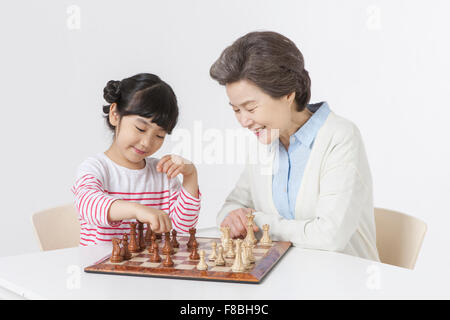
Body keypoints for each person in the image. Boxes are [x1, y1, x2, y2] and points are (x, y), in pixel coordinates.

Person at [210, 31, 379, 261]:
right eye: (236, 110)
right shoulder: (265, 141)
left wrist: (256, 222)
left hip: (343, 284)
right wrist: (233, 217)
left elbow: (330, 237)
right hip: (285, 280)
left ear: (288, 95)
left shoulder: (340, 137)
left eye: (250, 108)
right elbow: (231, 207)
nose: (243, 121)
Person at [72, 73, 201, 246]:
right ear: (115, 114)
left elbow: (182, 230)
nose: (147, 142)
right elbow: (88, 205)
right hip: (100, 270)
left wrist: (190, 175)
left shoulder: (162, 174)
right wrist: (137, 210)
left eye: (159, 135)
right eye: (140, 129)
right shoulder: (96, 168)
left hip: (149, 269)